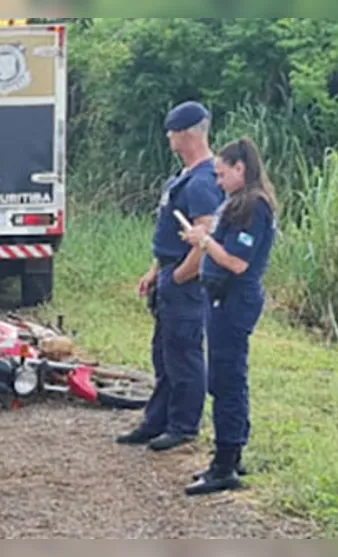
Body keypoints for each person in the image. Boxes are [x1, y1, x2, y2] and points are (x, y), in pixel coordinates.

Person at [116, 101, 224, 452]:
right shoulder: (182, 177)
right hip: (168, 271)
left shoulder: (204, 182)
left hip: (185, 282)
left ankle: (183, 425)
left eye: (172, 132)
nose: (168, 138)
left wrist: (179, 276)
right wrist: (155, 271)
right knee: (164, 353)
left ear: (187, 134)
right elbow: (170, 235)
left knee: (184, 354)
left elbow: (206, 237)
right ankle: (157, 419)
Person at [182, 136, 278, 496]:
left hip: (234, 301)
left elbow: (238, 262)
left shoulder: (254, 207)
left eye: (222, 175)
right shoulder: (237, 203)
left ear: (241, 169)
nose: (218, 182)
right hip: (221, 298)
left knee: (226, 379)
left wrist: (204, 242)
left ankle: (224, 462)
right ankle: (232, 451)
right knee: (225, 376)